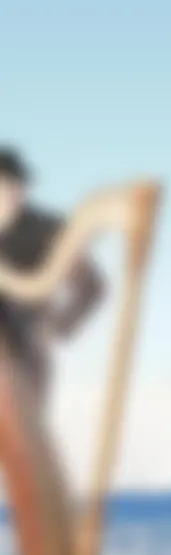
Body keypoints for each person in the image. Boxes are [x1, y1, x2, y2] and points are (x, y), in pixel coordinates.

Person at [0, 146, 105, 405]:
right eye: (5, 185)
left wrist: (57, 326)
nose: (13, 192)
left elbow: (91, 285)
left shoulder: (44, 230)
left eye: (17, 184)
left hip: (23, 358)